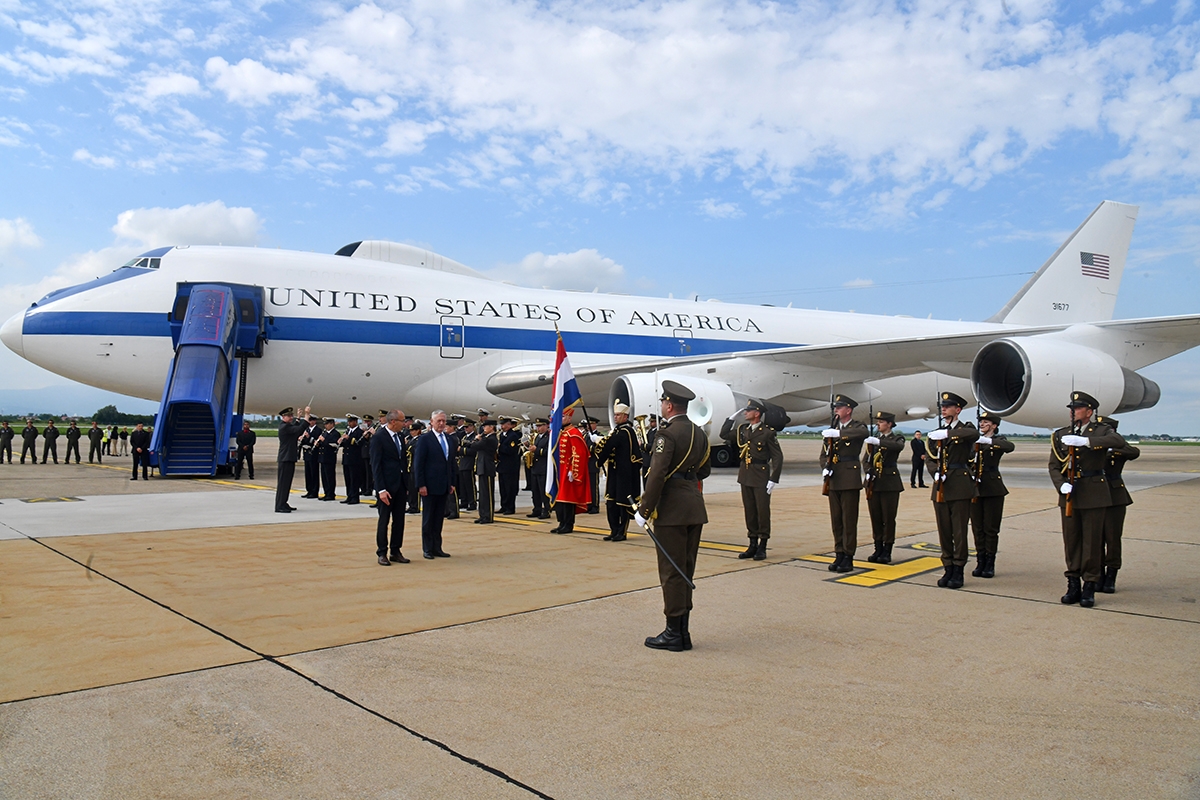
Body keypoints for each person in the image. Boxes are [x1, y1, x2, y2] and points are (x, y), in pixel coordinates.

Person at [633, 380, 711, 652]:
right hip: (694, 506)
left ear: (668, 405)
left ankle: (673, 633)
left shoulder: (666, 434)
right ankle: (683, 632)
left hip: (672, 510)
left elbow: (656, 475)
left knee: (671, 572)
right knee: (685, 569)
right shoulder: (699, 433)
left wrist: (644, 509)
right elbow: (704, 471)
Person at [1050, 392, 1125, 608]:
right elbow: (1054, 464)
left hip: (1094, 492)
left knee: (1092, 542)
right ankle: (1073, 584)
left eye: (1078, 407)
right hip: (1070, 493)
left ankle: (1089, 586)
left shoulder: (1101, 430)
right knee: (1072, 541)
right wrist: (1060, 484)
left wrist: (1087, 441)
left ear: (1089, 411)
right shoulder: (1061, 434)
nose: (1072, 411)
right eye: (1071, 407)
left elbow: (1118, 441)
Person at [926, 391, 979, 589]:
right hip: (941, 485)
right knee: (944, 530)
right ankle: (947, 566)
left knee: (959, 530)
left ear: (958, 410)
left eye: (948, 406)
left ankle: (958, 569)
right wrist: (935, 473)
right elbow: (930, 457)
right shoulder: (936, 432)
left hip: (959, 485)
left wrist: (948, 434)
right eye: (942, 406)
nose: (944, 409)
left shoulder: (965, 428)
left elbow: (974, 435)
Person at [720, 398, 783, 560]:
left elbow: (777, 457)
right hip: (746, 474)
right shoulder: (743, 430)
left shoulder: (768, 432)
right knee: (750, 511)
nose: (746, 413)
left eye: (749, 410)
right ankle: (752, 543)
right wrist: (730, 419)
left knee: (762, 511)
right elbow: (724, 434)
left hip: (761, 475)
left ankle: (763, 545)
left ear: (757, 413)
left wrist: (773, 479)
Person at [820, 395, 868, 573]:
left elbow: (864, 433)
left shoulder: (857, 426)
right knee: (836, 519)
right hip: (834, 477)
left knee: (849, 520)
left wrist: (839, 433)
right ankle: (839, 552)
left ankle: (848, 556)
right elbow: (824, 452)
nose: (836, 411)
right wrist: (825, 466)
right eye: (835, 408)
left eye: (839, 408)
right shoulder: (832, 429)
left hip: (849, 477)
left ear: (848, 410)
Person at [1097, 415, 1139, 594]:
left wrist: (1112, 449)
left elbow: (1134, 452)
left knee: (1113, 538)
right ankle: (1097, 575)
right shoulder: (1094, 446)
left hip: (1115, 495)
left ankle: (1111, 575)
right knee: (1095, 538)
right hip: (1095, 494)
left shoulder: (1118, 446)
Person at [969, 410, 1013, 579]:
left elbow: (1009, 447)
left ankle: (990, 562)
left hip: (993, 488)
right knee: (977, 527)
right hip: (975, 487)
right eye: (981, 422)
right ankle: (980, 560)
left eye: (986, 422)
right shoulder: (973, 442)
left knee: (991, 528)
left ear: (994, 426)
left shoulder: (999, 441)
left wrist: (988, 441)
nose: (982, 425)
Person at [595, 401, 644, 542]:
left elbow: (611, 443)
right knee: (611, 502)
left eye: (618, 415)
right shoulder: (616, 431)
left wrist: (599, 442)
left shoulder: (627, 431)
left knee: (622, 504)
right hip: (615, 473)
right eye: (615, 415)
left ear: (625, 416)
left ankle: (622, 532)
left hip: (624, 475)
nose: (615, 417)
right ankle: (614, 530)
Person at [413, 410, 456, 558]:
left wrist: (452, 482)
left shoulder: (449, 439)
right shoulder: (425, 439)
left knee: (439, 519)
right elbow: (418, 464)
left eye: (443, 421)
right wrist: (421, 484)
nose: (442, 424)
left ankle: (437, 547)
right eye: (438, 421)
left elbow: (451, 464)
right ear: (431, 422)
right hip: (429, 486)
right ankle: (427, 548)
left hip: (444, 485)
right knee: (428, 518)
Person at [864, 411, 906, 564]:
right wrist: (868, 471)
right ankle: (878, 547)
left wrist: (879, 443)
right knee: (876, 517)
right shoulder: (874, 439)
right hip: (875, 482)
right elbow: (866, 459)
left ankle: (887, 550)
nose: (878, 424)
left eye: (881, 422)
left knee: (888, 518)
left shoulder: (897, 437)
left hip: (889, 482)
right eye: (877, 422)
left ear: (889, 424)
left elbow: (897, 446)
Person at [371, 410, 411, 565]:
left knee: (399, 520)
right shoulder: (379, 438)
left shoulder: (400, 436)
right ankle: (382, 552)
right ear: (393, 421)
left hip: (400, 485)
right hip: (386, 487)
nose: (404, 423)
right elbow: (376, 465)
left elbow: (402, 461)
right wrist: (380, 489)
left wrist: (405, 484)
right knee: (384, 520)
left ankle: (396, 550)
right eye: (402, 421)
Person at [550, 406, 591, 533]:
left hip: (568, 472)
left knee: (568, 499)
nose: (560, 419)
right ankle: (561, 523)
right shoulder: (561, 432)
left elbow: (579, 453)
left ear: (569, 417)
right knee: (560, 499)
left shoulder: (573, 433)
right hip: (560, 471)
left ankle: (568, 524)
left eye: (562, 416)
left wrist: (573, 471)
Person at [275, 406, 309, 513]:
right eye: (289, 416)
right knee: (283, 483)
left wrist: (298, 417)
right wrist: (307, 415)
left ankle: (283, 503)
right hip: (286, 459)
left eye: (291, 416)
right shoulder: (284, 427)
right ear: (283, 417)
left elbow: (295, 428)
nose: (291, 418)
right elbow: (298, 429)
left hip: (288, 458)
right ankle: (279, 505)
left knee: (287, 483)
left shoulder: (287, 426)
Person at [469, 418, 498, 524]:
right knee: (482, 494)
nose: (484, 428)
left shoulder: (491, 439)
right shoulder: (485, 438)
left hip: (487, 468)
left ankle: (488, 516)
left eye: (486, 426)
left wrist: (477, 439)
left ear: (491, 427)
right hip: (482, 467)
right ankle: (482, 515)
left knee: (488, 494)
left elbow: (475, 446)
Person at [526, 418, 551, 519]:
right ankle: (537, 509)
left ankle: (546, 510)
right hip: (535, 468)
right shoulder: (537, 437)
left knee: (543, 491)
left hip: (543, 467)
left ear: (546, 426)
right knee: (535, 491)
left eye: (540, 426)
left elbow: (548, 451)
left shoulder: (549, 437)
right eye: (537, 426)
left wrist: (537, 450)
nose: (538, 428)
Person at [496, 417, 522, 514]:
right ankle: (504, 505)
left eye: (504, 425)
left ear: (509, 425)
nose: (502, 426)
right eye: (501, 425)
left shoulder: (513, 436)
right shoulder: (502, 435)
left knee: (509, 488)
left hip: (510, 466)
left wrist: (500, 447)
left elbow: (511, 451)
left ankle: (510, 507)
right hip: (502, 465)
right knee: (503, 488)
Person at [338, 414, 365, 504]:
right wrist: (341, 441)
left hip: (355, 460)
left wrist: (349, 439)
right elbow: (346, 444)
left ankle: (355, 497)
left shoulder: (359, 432)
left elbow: (358, 443)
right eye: (348, 422)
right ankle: (349, 496)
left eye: (350, 422)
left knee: (354, 479)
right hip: (347, 459)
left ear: (355, 422)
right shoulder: (348, 431)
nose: (349, 423)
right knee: (348, 479)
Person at [315, 418, 341, 500]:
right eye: (325, 424)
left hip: (329, 458)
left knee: (330, 476)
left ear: (332, 424)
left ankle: (331, 493)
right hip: (322, 458)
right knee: (324, 477)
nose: (325, 425)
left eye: (327, 424)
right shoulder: (325, 433)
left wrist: (324, 440)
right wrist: (317, 443)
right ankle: (326, 492)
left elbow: (333, 444)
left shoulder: (335, 434)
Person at [456, 419, 478, 511]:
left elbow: (473, 451)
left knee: (470, 485)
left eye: (467, 427)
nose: (466, 429)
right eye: (465, 427)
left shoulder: (475, 437)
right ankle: (464, 501)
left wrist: (461, 450)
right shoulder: (464, 438)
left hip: (469, 463)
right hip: (462, 462)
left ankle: (472, 502)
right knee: (463, 484)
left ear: (472, 427)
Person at [300, 413, 322, 498]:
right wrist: (301, 438)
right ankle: (309, 490)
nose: (310, 422)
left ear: (314, 421)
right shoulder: (306, 430)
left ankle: (314, 491)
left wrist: (309, 437)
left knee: (314, 473)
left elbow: (316, 442)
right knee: (308, 474)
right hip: (306, 454)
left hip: (314, 455)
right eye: (309, 420)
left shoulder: (318, 430)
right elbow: (304, 442)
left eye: (312, 420)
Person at [406, 420, 424, 514]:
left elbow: (415, 450)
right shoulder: (411, 440)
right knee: (410, 488)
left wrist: (407, 445)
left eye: (413, 430)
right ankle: (411, 505)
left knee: (415, 488)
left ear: (418, 431)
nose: (411, 432)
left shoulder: (419, 440)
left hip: (415, 466)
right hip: (410, 466)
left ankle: (415, 506)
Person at [586, 416, 603, 514]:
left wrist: (591, 447)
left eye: (591, 424)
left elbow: (598, 449)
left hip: (593, 464)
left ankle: (595, 506)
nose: (589, 426)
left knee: (593, 487)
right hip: (586, 464)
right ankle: (588, 504)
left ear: (595, 424)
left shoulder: (598, 435)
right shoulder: (585, 436)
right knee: (587, 487)